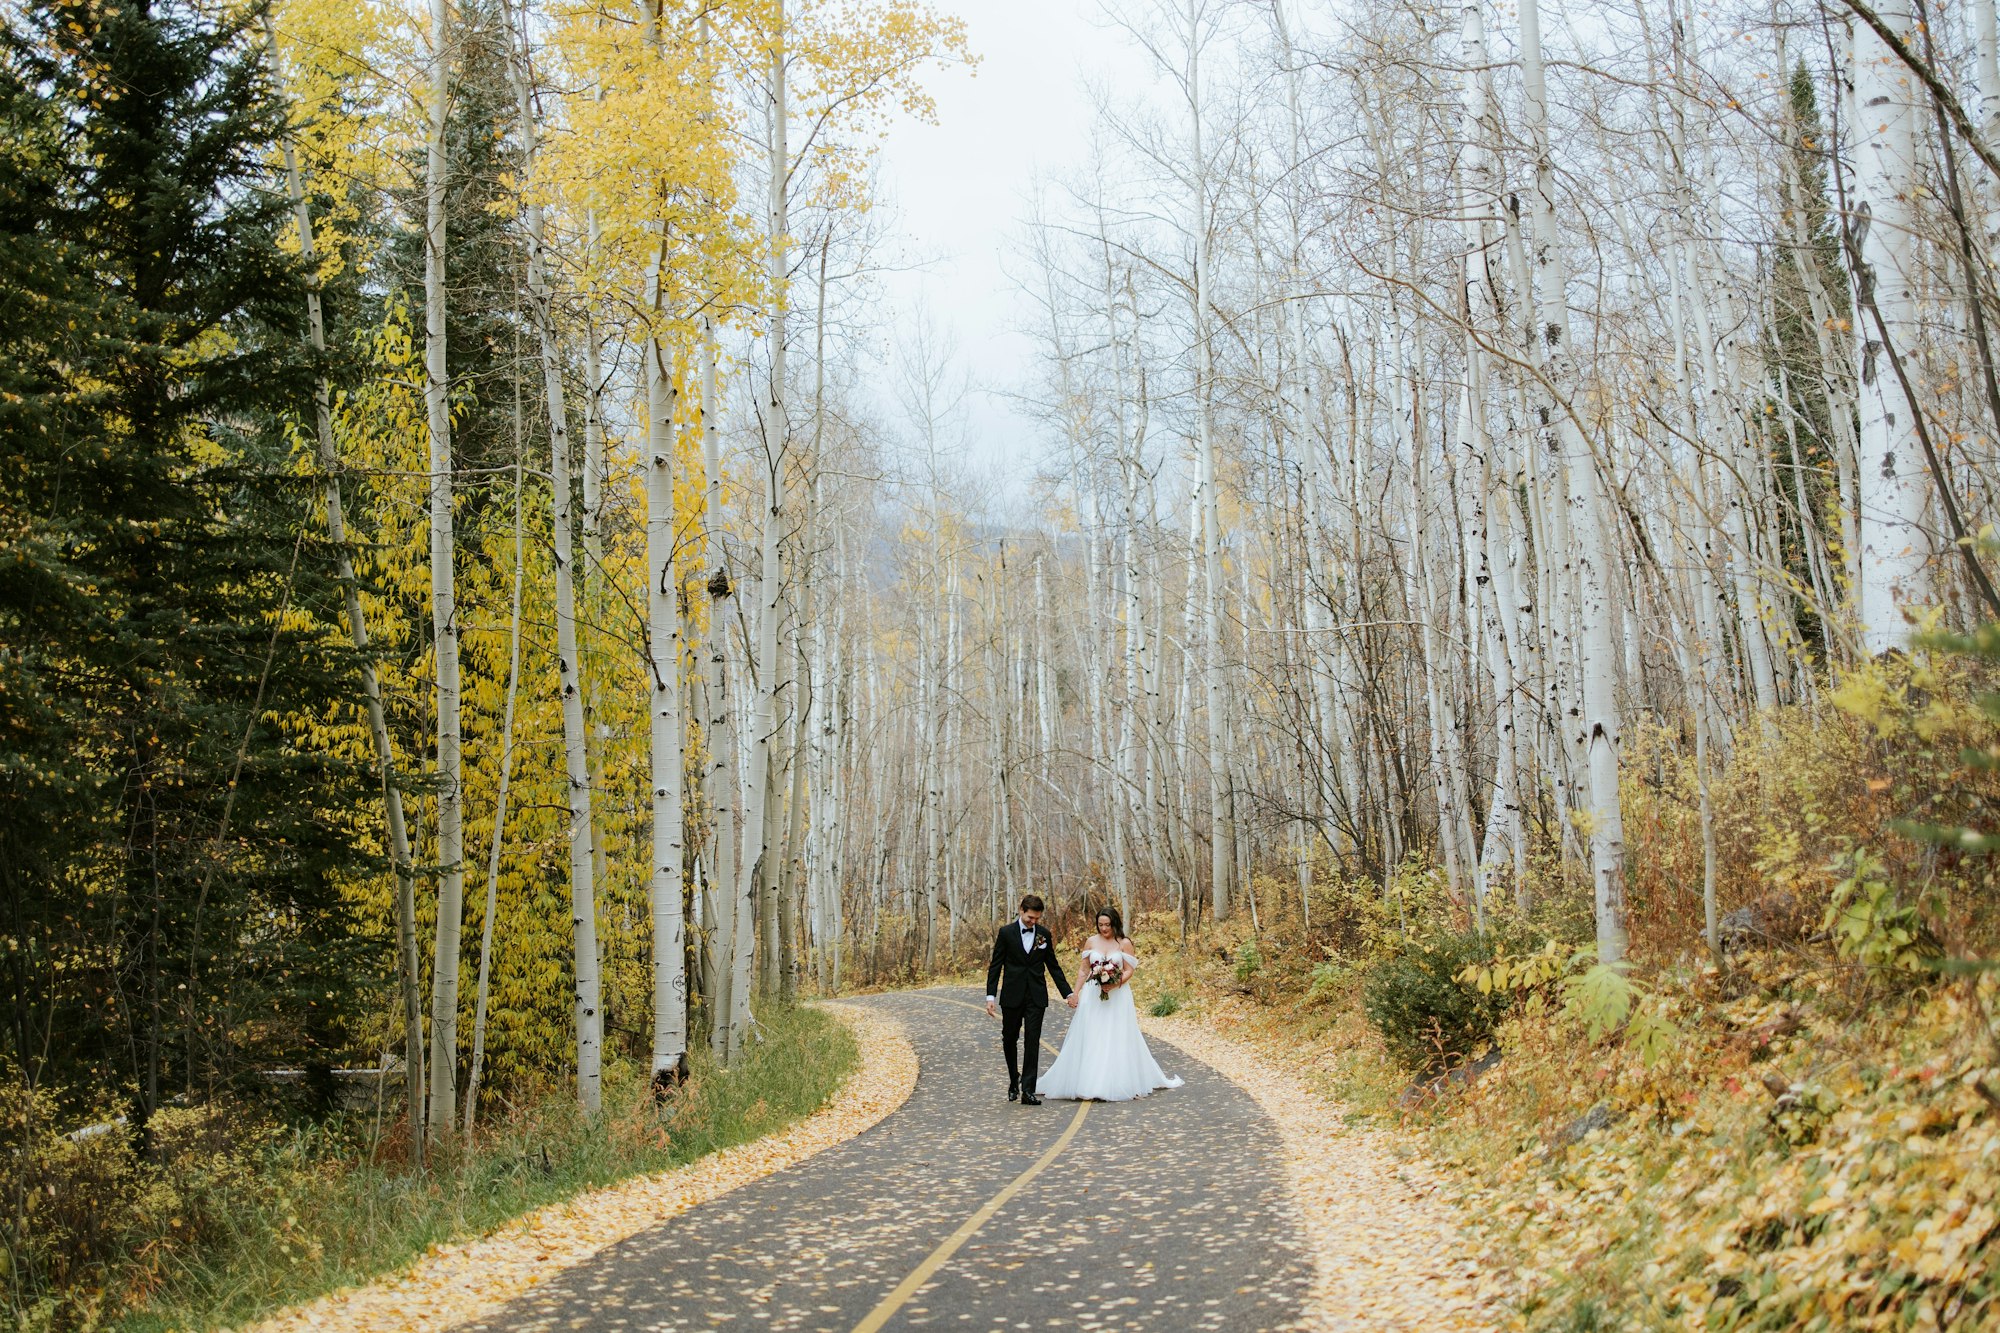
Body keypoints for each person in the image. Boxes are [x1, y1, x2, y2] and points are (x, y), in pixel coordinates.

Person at [1036, 905, 1182, 1102]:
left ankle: (1114, 1081)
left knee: (1115, 1033)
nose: (1104, 929)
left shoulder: (1124, 943)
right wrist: (1075, 993)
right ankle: (1087, 1081)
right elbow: (1083, 970)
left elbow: (1129, 970)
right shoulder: (1090, 942)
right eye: (1100, 925)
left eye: (1107, 925)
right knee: (1092, 1033)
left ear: (1115, 923)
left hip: (1117, 996)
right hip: (1092, 994)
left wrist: (1115, 984)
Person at [984, 894, 1073, 1105]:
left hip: (1036, 996)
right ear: (1021, 910)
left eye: (1037, 919)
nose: (1033, 922)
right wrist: (990, 996)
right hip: (1012, 995)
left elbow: (1053, 966)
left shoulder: (1044, 935)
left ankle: (1028, 1090)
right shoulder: (1006, 933)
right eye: (1030, 918)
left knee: (1032, 1041)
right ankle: (1014, 1079)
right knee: (1009, 1039)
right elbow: (996, 965)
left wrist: (1068, 993)